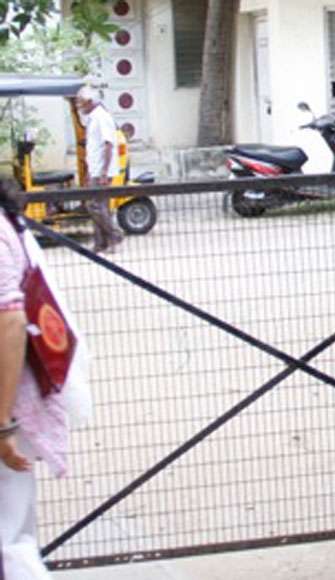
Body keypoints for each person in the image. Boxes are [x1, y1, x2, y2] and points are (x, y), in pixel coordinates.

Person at [0, 178, 77, 579]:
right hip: (13, 406)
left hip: (9, 407)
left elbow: (10, 321)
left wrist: (2, 426)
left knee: (8, 545)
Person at [75, 85, 123, 254]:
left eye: (81, 104)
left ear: (89, 102)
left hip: (101, 171)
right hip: (94, 169)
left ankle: (114, 236)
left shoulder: (101, 117)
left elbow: (108, 144)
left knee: (95, 206)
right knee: (98, 206)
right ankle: (101, 242)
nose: (79, 108)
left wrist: (103, 171)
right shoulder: (93, 118)